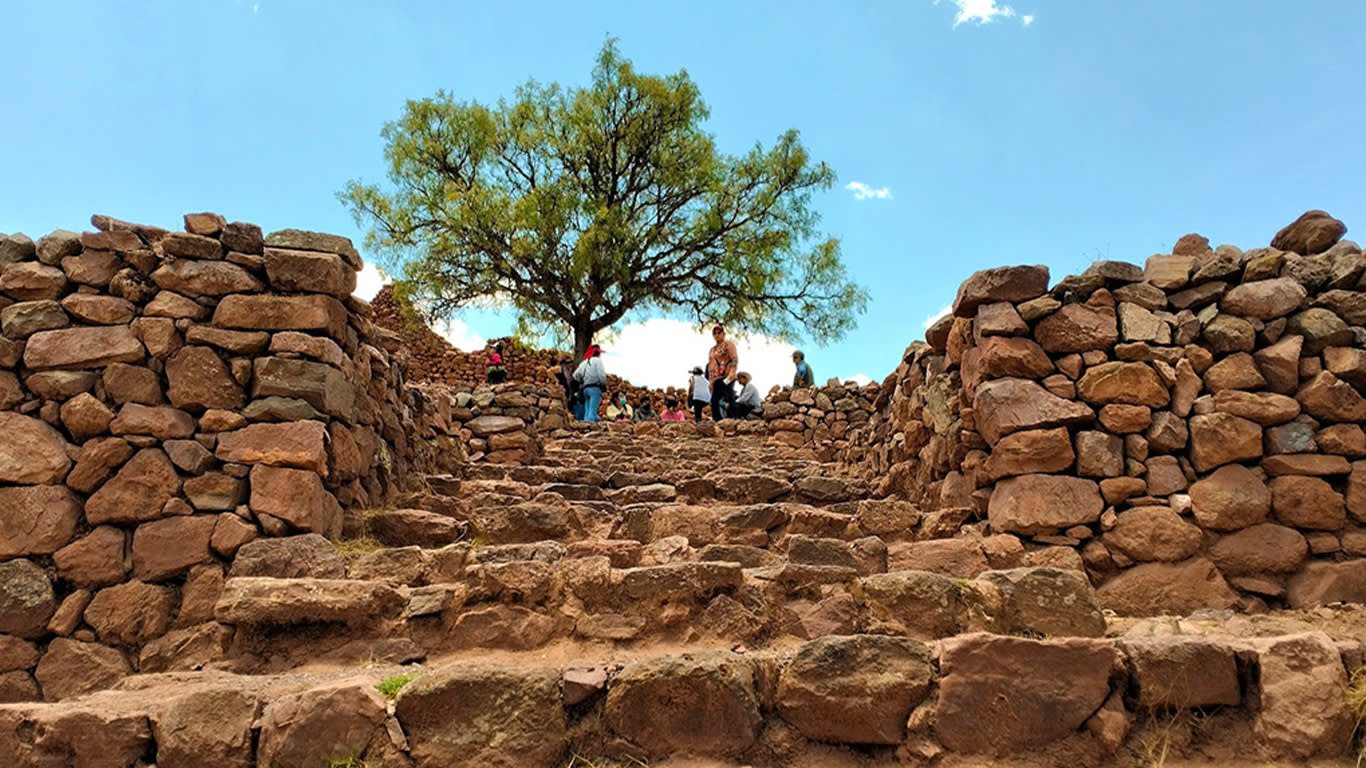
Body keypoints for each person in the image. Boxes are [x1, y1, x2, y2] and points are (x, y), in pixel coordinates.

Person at [708, 324, 738, 420]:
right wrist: (710, 381)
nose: (717, 335)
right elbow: (711, 365)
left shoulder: (728, 345)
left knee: (729, 395)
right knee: (714, 399)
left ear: (723, 334)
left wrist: (732, 372)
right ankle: (717, 419)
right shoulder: (712, 350)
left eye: (719, 333)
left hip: (727, 376)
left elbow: (734, 359)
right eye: (715, 333)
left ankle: (734, 417)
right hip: (716, 378)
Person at [573, 344, 606, 422]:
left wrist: (582, 380)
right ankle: (591, 426)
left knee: (587, 412)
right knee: (592, 413)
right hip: (595, 388)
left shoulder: (584, 363)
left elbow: (575, 375)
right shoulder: (598, 361)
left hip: (585, 389)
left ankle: (586, 425)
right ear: (598, 353)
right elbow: (601, 375)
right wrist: (604, 386)